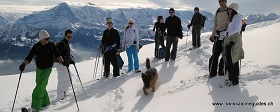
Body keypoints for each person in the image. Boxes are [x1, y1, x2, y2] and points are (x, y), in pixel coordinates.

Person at [19, 30, 67, 111]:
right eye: (46, 39)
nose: (48, 40)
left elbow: (57, 55)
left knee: (39, 87)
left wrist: (63, 62)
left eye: (49, 38)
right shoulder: (36, 46)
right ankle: (45, 103)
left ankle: (35, 108)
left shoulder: (51, 45)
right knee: (41, 86)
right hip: (39, 69)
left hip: (48, 69)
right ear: (41, 39)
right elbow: (29, 57)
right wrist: (23, 64)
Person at [224, 2, 244, 86]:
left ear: (233, 9)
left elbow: (237, 29)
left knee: (233, 59)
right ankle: (231, 78)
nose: (228, 10)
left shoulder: (238, 17)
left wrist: (227, 34)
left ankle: (234, 80)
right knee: (229, 58)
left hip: (235, 40)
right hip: (230, 40)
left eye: (230, 9)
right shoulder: (231, 18)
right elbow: (229, 29)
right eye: (228, 9)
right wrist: (224, 34)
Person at [209, 0, 229, 78]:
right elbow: (215, 24)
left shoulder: (229, 10)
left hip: (226, 35)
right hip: (218, 34)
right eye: (219, 1)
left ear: (226, 1)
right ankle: (212, 73)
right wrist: (213, 34)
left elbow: (231, 22)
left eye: (222, 1)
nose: (221, 2)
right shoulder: (218, 11)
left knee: (224, 54)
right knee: (215, 54)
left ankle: (222, 72)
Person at [55, 29, 75, 100]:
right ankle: (60, 97)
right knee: (62, 80)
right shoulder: (62, 43)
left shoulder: (66, 43)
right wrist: (64, 61)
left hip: (64, 64)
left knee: (67, 79)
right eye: (68, 37)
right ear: (65, 36)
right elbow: (58, 55)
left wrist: (70, 60)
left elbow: (66, 55)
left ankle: (64, 93)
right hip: (60, 65)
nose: (69, 38)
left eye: (71, 37)